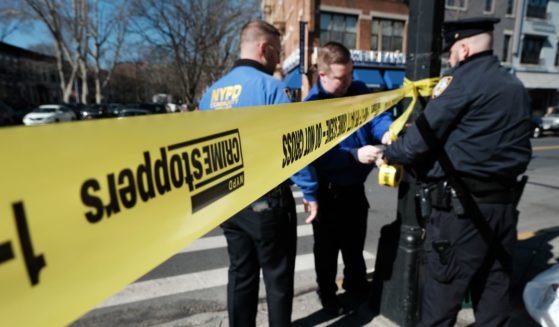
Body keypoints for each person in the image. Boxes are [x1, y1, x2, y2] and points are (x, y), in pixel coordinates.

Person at [376, 17, 532, 326]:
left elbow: (416, 145)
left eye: (450, 53)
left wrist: (388, 152)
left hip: (462, 215)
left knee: (440, 305)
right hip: (502, 211)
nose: (450, 59)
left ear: (461, 48)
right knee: (493, 303)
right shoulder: (515, 86)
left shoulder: (459, 81)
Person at [198, 20, 318, 327]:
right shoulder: (272, 88)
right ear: (264, 48)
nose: (279, 59)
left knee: (240, 273)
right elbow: (293, 146)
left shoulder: (211, 94)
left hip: (227, 198)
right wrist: (310, 191)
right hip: (266, 202)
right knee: (277, 279)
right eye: (277, 51)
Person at [302, 41, 392, 314]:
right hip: (327, 191)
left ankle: (356, 285)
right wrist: (354, 155)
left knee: (355, 244)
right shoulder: (312, 106)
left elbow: (377, 117)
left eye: (351, 74)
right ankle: (327, 292)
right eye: (342, 77)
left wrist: (387, 131)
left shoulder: (358, 90)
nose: (348, 82)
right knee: (327, 250)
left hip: (354, 187)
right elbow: (315, 154)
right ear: (323, 75)